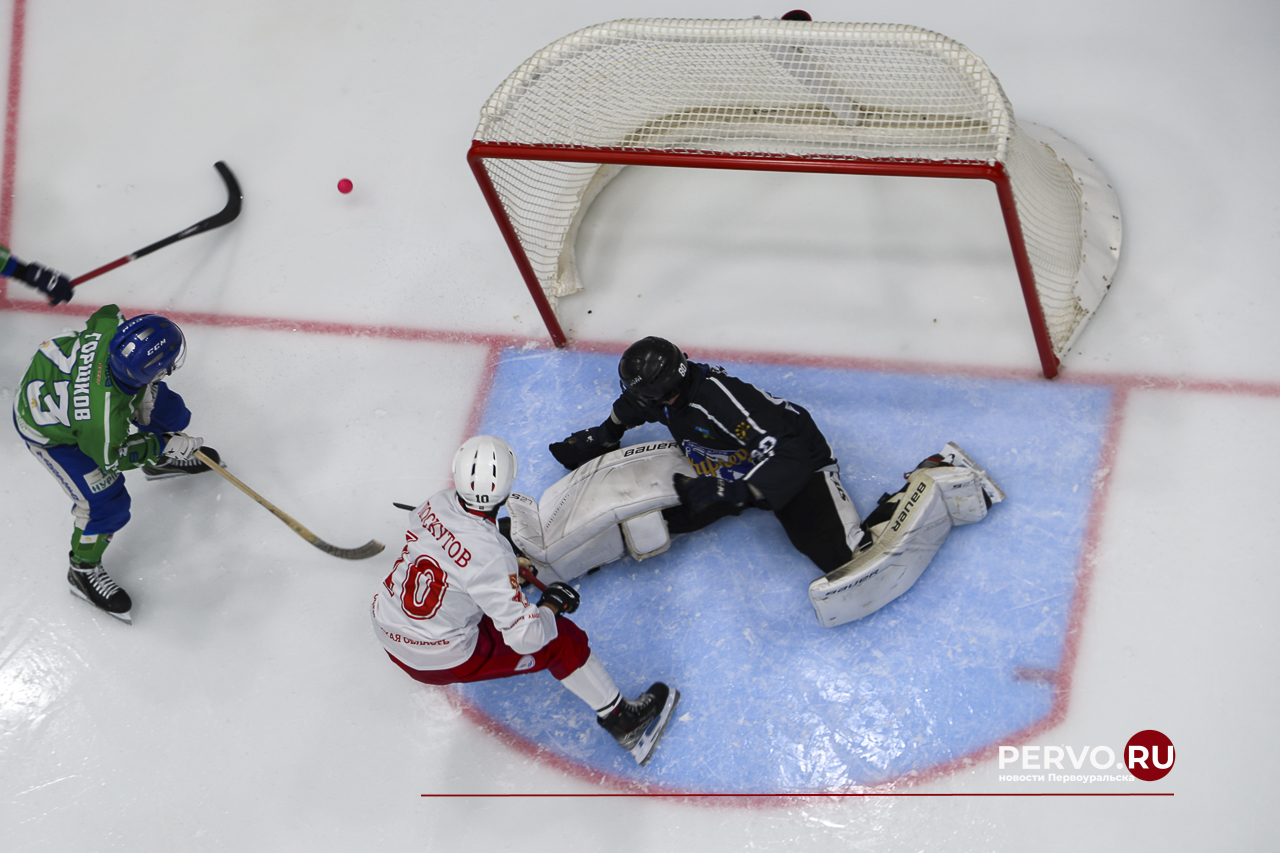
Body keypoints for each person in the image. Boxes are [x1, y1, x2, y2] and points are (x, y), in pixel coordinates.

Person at [371, 435, 679, 765]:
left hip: (386, 624)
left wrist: (504, 570)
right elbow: (527, 637)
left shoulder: (436, 503)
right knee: (561, 640)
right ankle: (624, 722)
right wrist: (550, 605)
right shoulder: (491, 556)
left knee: (482, 604)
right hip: (435, 659)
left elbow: (449, 552)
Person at [549, 336, 865, 574]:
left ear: (662, 395)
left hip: (796, 464)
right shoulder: (668, 394)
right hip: (726, 463)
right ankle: (569, 550)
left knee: (837, 557)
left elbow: (788, 454)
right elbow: (632, 406)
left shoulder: (722, 405)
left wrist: (733, 491)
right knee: (653, 521)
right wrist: (607, 433)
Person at [13, 304, 220, 623]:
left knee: (172, 414)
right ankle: (82, 572)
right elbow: (111, 457)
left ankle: (156, 462)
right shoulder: (103, 424)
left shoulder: (110, 327)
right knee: (107, 504)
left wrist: (149, 407)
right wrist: (162, 443)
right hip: (52, 432)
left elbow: (105, 313)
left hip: (83, 388)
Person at [2, 244, 74, 304]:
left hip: (32, 271)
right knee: (19, 271)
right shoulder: (60, 293)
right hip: (28, 276)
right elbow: (52, 302)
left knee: (22, 269)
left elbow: (63, 278)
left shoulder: (64, 281)